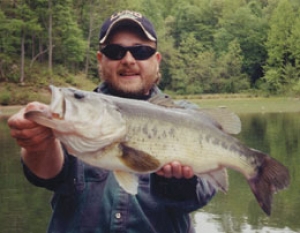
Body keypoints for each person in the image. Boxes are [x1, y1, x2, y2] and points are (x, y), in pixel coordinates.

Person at [8, 10, 216, 233]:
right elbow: (48, 175)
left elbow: (204, 191)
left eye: (141, 51)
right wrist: (37, 144)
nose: (128, 60)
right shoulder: (80, 115)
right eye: (115, 51)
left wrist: (178, 186)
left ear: (156, 60)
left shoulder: (188, 117)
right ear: (101, 59)